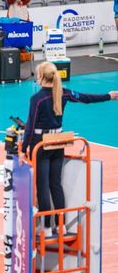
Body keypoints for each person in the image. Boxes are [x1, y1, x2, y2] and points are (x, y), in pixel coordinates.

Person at [21, 62, 118, 237]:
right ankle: (61, 225)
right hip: (59, 141)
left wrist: (23, 149)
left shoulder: (37, 99)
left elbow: (30, 125)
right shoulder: (63, 93)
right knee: (55, 184)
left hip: (41, 144)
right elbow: (86, 98)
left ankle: (46, 227)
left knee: (42, 186)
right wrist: (108, 96)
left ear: (41, 77)